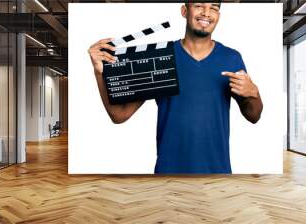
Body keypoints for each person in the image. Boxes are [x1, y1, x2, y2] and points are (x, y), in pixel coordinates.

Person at [88, 2, 263, 174]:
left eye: (214, 8)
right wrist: (99, 74)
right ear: (184, 10)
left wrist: (254, 94)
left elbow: (253, 116)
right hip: (169, 173)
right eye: (199, 5)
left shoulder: (231, 58)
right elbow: (119, 115)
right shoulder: (160, 57)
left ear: (219, 16)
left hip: (216, 171)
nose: (207, 13)